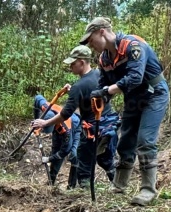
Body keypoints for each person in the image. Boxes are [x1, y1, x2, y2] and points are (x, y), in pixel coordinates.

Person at [81, 17, 169, 205]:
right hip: (133, 98)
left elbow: (135, 78)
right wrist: (101, 96)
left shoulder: (133, 45)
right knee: (126, 140)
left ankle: (147, 190)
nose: (91, 45)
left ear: (102, 32)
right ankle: (120, 184)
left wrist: (107, 91)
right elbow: (104, 84)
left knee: (145, 140)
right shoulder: (104, 59)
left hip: (154, 94)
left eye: (91, 40)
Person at [30, 45, 118, 190]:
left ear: (82, 62)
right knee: (106, 160)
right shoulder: (100, 75)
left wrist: (45, 122)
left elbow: (65, 114)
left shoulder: (79, 86)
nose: (70, 67)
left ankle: (85, 197)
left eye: (73, 63)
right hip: (110, 125)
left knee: (84, 167)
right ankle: (118, 188)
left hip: (92, 130)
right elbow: (105, 92)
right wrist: (76, 94)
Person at [32, 94, 81, 187]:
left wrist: (49, 159)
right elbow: (37, 98)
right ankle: (51, 181)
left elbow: (64, 151)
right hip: (58, 127)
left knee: (74, 154)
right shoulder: (46, 108)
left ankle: (71, 186)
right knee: (55, 149)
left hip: (76, 126)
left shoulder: (66, 131)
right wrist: (36, 120)